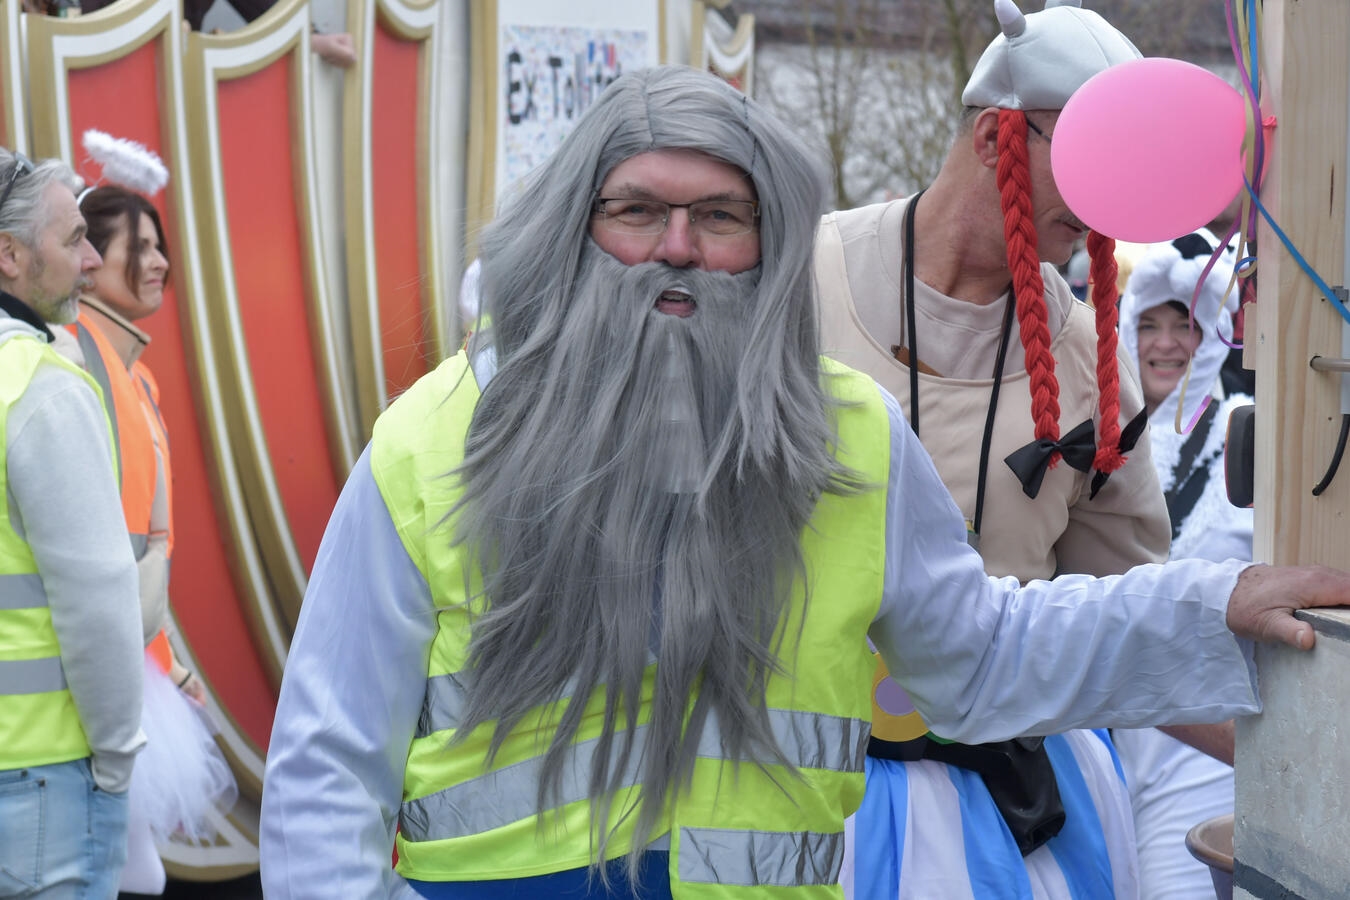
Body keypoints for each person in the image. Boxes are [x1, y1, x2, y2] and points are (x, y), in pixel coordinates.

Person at [259, 65, 1350, 900]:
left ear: (767, 241)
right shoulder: (435, 440)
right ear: (579, 229)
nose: (677, 247)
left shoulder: (850, 436)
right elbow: (329, 765)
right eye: (636, 211)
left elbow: (982, 657)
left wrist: (1210, 604)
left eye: (720, 217)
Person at [815, 2, 1166, 895]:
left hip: (1019, 810)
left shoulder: (1091, 356)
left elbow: (1128, 607)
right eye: (1088, 156)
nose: (1106, 195)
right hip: (806, 793)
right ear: (992, 138)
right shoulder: (794, 282)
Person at [67, 183, 237, 895]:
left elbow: (144, 544)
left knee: (129, 871)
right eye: (137, 247)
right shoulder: (77, 361)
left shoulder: (135, 376)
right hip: (95, 669)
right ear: (84, 258)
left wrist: (172, 662)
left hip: (132, 656)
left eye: (159, 245)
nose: (160, 261)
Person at [0, 147, 144, 898]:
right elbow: (98, 599)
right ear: (10, 255)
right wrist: (116, 764)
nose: (90, 260)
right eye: (74, 239)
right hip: (41, 783)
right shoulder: (42, 386)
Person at [1112, 230, 1253, 899]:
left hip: (1208, 746)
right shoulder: (1102, 444)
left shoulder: (1247, 431)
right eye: (1149, 325)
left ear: (1211, 339)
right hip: (1112, 742)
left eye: (1185, 326)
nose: (1165, 344)